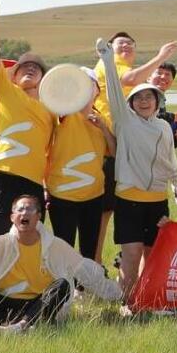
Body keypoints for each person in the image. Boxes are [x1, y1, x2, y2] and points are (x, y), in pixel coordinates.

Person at [0, 192, 124, 329]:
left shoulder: (55, 245)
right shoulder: (2, 242)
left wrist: (120, 294)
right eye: (20, 209)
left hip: (38, 305)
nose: (24, 213)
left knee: (62, 285)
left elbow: (85, 270)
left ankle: (23, 325)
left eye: (30, 209)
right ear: (12, 217)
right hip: (5, 303)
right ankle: (6, 323)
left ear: (38, 216)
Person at [98, 37, 177, 302]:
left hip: (158, 202)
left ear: (158, 101)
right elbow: (112, 90)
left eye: (150, 97)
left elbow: (170, 159)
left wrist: (176, 183)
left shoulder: (164, 127)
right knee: (131, 254)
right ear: (131, 103)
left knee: (153, 254)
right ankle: (127, 301)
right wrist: (108, 60)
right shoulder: (124, 122)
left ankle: (147, 299)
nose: (144, 101)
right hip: (129, 201)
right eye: (139, 97)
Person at [0, 0, 52, 240]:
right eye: (24, 67)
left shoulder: (51, 110)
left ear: (43, 79)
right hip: (3, 174)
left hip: (32, 181)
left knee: (30, 238)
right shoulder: (5, 91)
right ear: (14, 76)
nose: (30, 69)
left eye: (37, 68)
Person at [45, 72, 114, 260]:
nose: (84, 86)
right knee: (64, 247)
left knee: (89, 249)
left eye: (89, 83)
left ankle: (85, 288)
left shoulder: (102, 120)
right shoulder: (65, 112)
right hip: (62, 193)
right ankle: (65, 286)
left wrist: (104, 129)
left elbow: (114, 152)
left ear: (97, 91)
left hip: (94, 194)